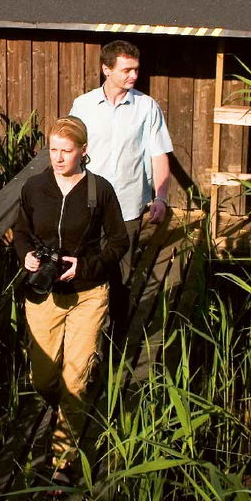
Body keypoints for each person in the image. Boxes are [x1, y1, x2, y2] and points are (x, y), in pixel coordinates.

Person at [13, 116, 128, 486]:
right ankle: (63, 405)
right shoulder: (35, 187)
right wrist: (27, 256)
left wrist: (86, 264)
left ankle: (62, 462)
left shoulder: (100, 191)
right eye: (53, 150)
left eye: (66, 151)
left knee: (75, 380)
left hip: (88, 293)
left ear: (83, 151)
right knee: (44, 377)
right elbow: (21, 232)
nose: (58, 158)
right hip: (43, 294)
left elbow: (119, 242)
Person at [67, 40, 173, 332]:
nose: (134, 76)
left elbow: (158, 153)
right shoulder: (83, 106)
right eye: (127, 70)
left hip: (128, 207)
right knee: (85, 267)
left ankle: (116, 336)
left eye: (136, 70)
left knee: (122, 273)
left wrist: (161, 197)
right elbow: (70, 148)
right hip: (88, 204)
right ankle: (87, 332)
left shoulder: (146, 107)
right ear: (106, 69)